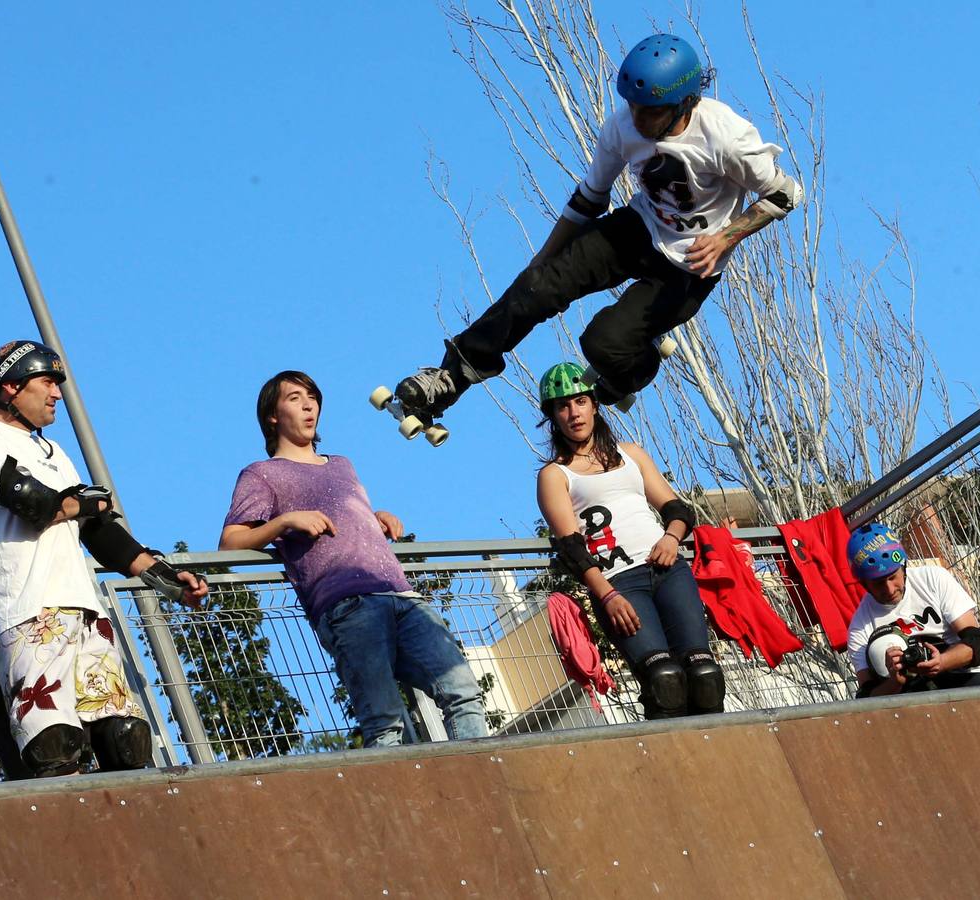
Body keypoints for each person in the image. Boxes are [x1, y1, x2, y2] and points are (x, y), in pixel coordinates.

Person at [392, 32, 801, 423]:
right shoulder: (622, 125)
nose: (637, 119)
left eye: (650, 111)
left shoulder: (728, 137)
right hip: (638, 227)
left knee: (602, 344)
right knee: (537, 285)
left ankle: (634, 360)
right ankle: (452, 377)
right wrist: (542, 262)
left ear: (685, 103)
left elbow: (786, 194)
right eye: (633, 106)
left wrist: (725, 237)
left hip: (690, 266)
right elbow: (589, 199)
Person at [0, 340, 208, 779]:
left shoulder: (56, 454)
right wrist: (83, 503)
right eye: (48, 382)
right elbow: (30, 503)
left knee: (126, 740)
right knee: (54, 747)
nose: (57, 394)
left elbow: (98, 531)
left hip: (88, 612)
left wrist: (166, 577)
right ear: (12, 386)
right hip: (29, 613)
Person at [219, 370, 488, 747]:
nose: (308, 403)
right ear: (272, 416)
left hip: (399, 594)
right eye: (294, 398)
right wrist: (284, 521)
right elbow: (230, 543)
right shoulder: (262, 474)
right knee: (384, 721)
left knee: (463, 691)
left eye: (312, 396)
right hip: (346, 606)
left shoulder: (342, 464)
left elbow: (349, 515)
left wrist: (374, 517)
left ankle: (477, 786)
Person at [534, 361, 724, 719]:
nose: (573, 413)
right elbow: (571, 549)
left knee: (704, 675)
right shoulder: (554, 474)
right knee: (663, 679)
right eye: (563, 406)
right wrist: (606, 595)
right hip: (620, 583)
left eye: (580, 402)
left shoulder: (632, 454)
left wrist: (671, 538)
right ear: (553, 416)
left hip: (668, 569)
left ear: (594, 404)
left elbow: (678, 510)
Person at [846, 523, 980, 697]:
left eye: (893, 577)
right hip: (912, 695)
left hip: (968, 676)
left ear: (904, 567)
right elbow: (865, 697)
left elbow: (979, 643)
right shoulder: (859, 628)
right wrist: (894, 682)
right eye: (878, 584)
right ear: (864, 584)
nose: (890, 589)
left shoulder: (933, 578)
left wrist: (941, 662)